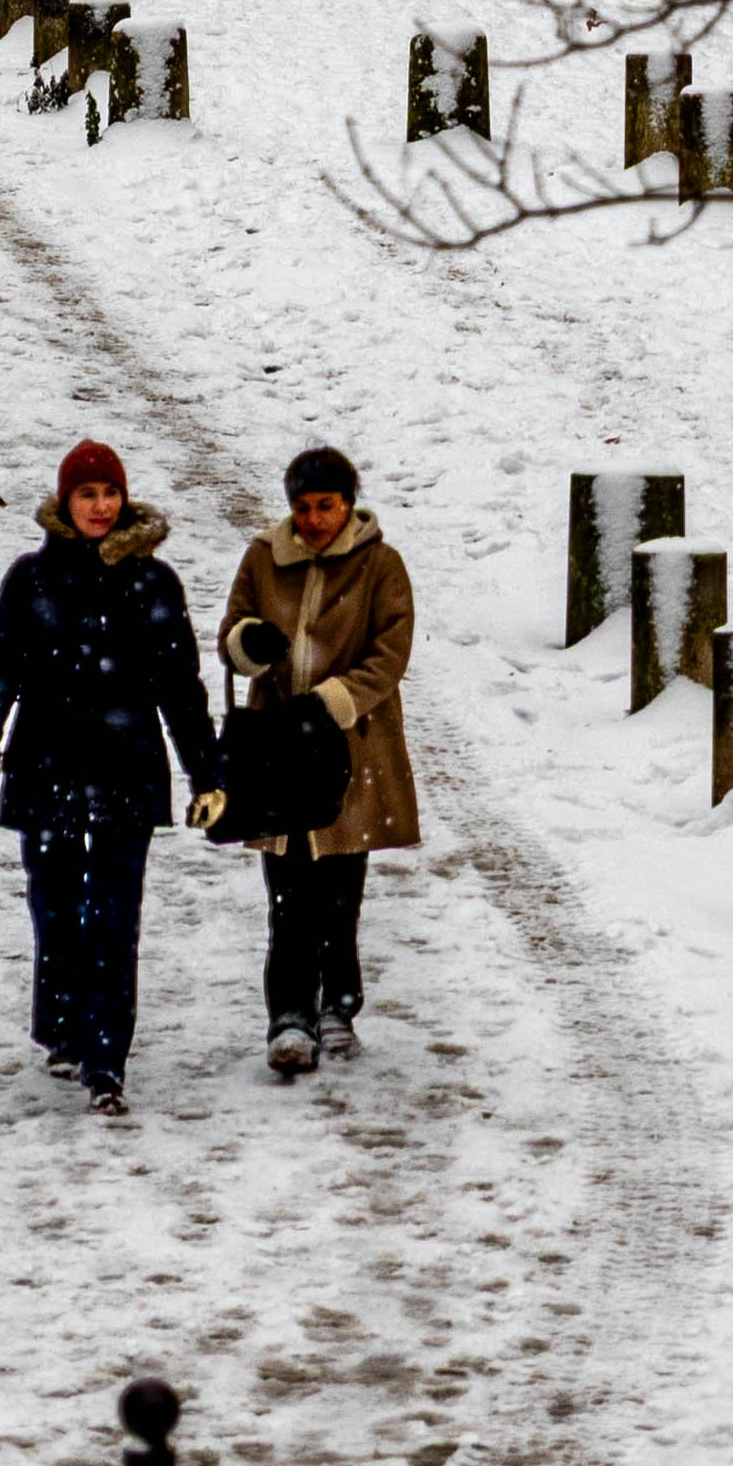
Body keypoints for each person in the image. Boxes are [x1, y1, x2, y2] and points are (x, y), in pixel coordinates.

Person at [0, 437, 220, 1118]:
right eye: (87, 494)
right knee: (55, 910)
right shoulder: (31, 578)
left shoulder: (154, 584)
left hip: (126, 773)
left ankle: (106, 1060)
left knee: (112, 917)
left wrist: (206, 773)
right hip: (45, 767)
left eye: (109, 494)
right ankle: (64, 1028)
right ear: (65, 502)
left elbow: (181, 690)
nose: (100, 507)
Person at [220, 442, 417, 1076]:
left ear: (348, 505)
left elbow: (390, 654)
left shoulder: (381, 566)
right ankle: (289, 1017)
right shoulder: (262, 559)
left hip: (348, 745)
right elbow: (233, 632)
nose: (314, 519)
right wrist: (249, 645)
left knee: (339, 886)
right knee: (287, 889)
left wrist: (333, 701)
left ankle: (340, 1006)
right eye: (303, 507)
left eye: (326, 506)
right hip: (277, 745)